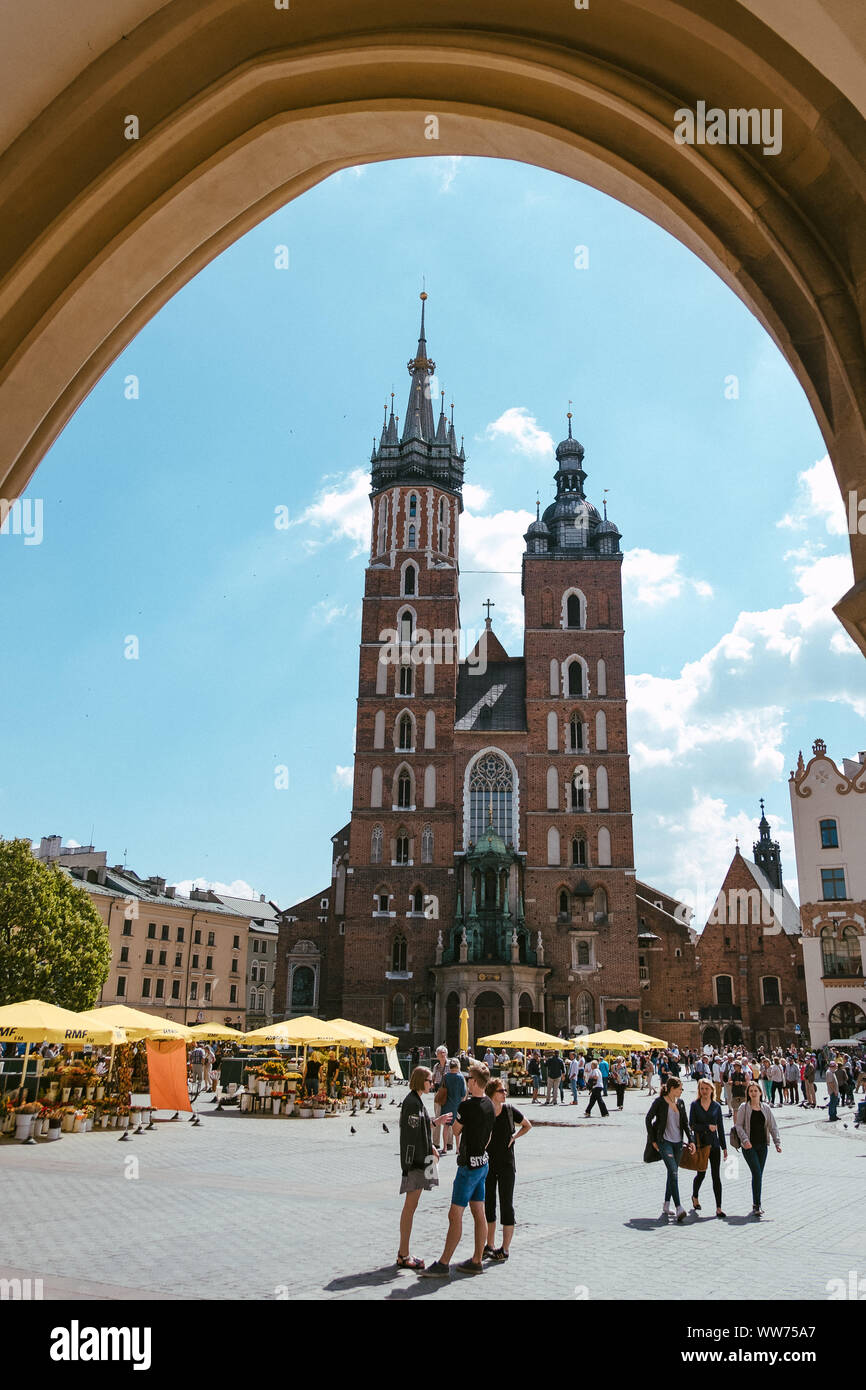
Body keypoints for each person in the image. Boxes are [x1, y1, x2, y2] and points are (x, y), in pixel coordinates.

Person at [421, 1063, 495, 1278]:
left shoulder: (467, 1106)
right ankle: (477, 1259)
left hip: (468, 1166)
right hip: (483, 1163)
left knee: (455, 1214)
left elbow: (455, 1130)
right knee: (478, 1211)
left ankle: (444, 1263)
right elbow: (489, 1135)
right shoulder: (490, 1104)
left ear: (473, 1082)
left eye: (468, 1079)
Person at [397, 1066, 449, 1270]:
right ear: (420, 1081)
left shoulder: (416, 1100)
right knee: (410, 1207)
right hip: (415, 1162)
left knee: (412, 1206)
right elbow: (411, 1135)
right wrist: (423, 1155)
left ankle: (404, 1252)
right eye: (429, 1080)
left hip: (419, 1159)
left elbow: (419, 1126)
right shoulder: (411, 1102)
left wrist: (435, 1124)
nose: (433, 1083)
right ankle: (403, 1254)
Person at [482, 1076, 532, 1261]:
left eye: (504, 1091)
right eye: (501, 1091)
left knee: (506, 1204)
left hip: (507, 1165)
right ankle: (489, 1244)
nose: (505, 1093)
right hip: (487, 1163)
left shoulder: (510, 1110)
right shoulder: (485, 1111)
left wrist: (515, 1137)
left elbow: (527, 1125)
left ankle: (505, 1248)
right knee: (488, 1204)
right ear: (492, 1094)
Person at [645, 1077, 695, 1223]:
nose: (681, 1091)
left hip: (678, 1143)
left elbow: (685, 1123)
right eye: (680, 1089)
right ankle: (679, 1206)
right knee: (673, 1171)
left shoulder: (680, 1103)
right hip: (664, 1142)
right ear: (672, 1089)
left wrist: (691, 1140)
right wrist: (653, 1139)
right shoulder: (660, 1102)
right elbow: (648, 1119)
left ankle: (666, 1205)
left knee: (672, 1173)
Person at [735, 1080, 782, 1216]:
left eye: (756, 1091)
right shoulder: (744, 1107)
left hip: (763, 1146)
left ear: (760, 1092)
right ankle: (757, 1205)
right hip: (749, 1146)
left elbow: (773, 1126)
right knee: (756, 1172)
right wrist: (745, 1140)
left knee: (758, 1175)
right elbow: (738, 1126)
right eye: (751, 1091)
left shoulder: (765, 1108)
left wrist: (777, 1143)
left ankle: (757, 1203)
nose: (754, 1093)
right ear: (748, 1093)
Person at [688, 1078, 728, 1218]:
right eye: (702, 1089)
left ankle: (718, 1207)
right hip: (701, 1145)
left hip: (714, 1145)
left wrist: (724, 1147)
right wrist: (706, 1127)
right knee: (701, 1174)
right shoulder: (695, 1105)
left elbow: (721, 1128)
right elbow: (691, 1125)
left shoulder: (716, 1106)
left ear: (712, 1090)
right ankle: (695, 1196)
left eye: (707, 1089)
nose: (704, 1091)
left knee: (716, 1176)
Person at [442, 1059, 467, 1153]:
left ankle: (444, 1147)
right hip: (457, 1104)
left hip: (446, 1104)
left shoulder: (446, 1076)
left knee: (446, 1126)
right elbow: (463, 1093)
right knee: (457, 1128)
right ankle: (458, 1148)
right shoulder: (460, 1077)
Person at [431, 1044, 449, 1144]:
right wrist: (433, 1084)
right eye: (439, 1053)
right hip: (438, 1092)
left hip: (448, 1092)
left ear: (446, 1054)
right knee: (437, 1116)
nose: (442, 1055)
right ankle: (436, 1142)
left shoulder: (451, 1064)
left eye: (443, 1053)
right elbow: (433, 1078)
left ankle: (449, 1143)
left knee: (448, 1117)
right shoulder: (436, 1066)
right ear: (437, 1055)